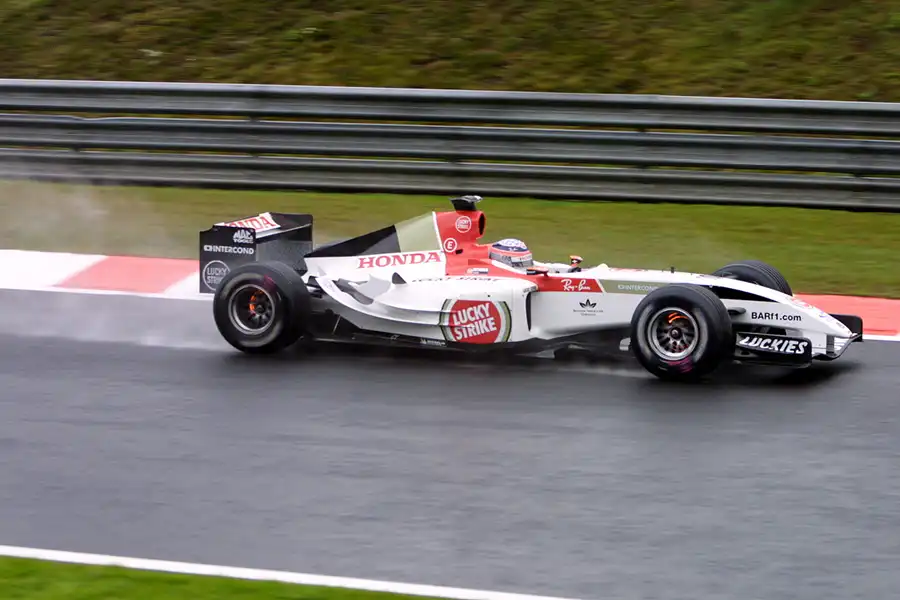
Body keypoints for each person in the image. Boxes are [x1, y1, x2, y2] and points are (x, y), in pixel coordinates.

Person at [489, 238, 584, 273]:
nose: (526, 263)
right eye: (521, 261)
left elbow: (548, 266)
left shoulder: (529, 266)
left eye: (526, 259)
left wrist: (569, 270)